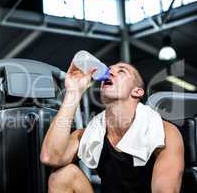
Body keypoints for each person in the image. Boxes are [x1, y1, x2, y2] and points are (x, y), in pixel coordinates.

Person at [40, 61, 184, 193]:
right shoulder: (90, 134)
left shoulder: (164, 133)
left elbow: (164, 191)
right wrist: (73, 93)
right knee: (62, 176)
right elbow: (50, 157)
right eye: (108, 70)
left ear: (137, 91)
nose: (110, 73)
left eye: (121, 71)